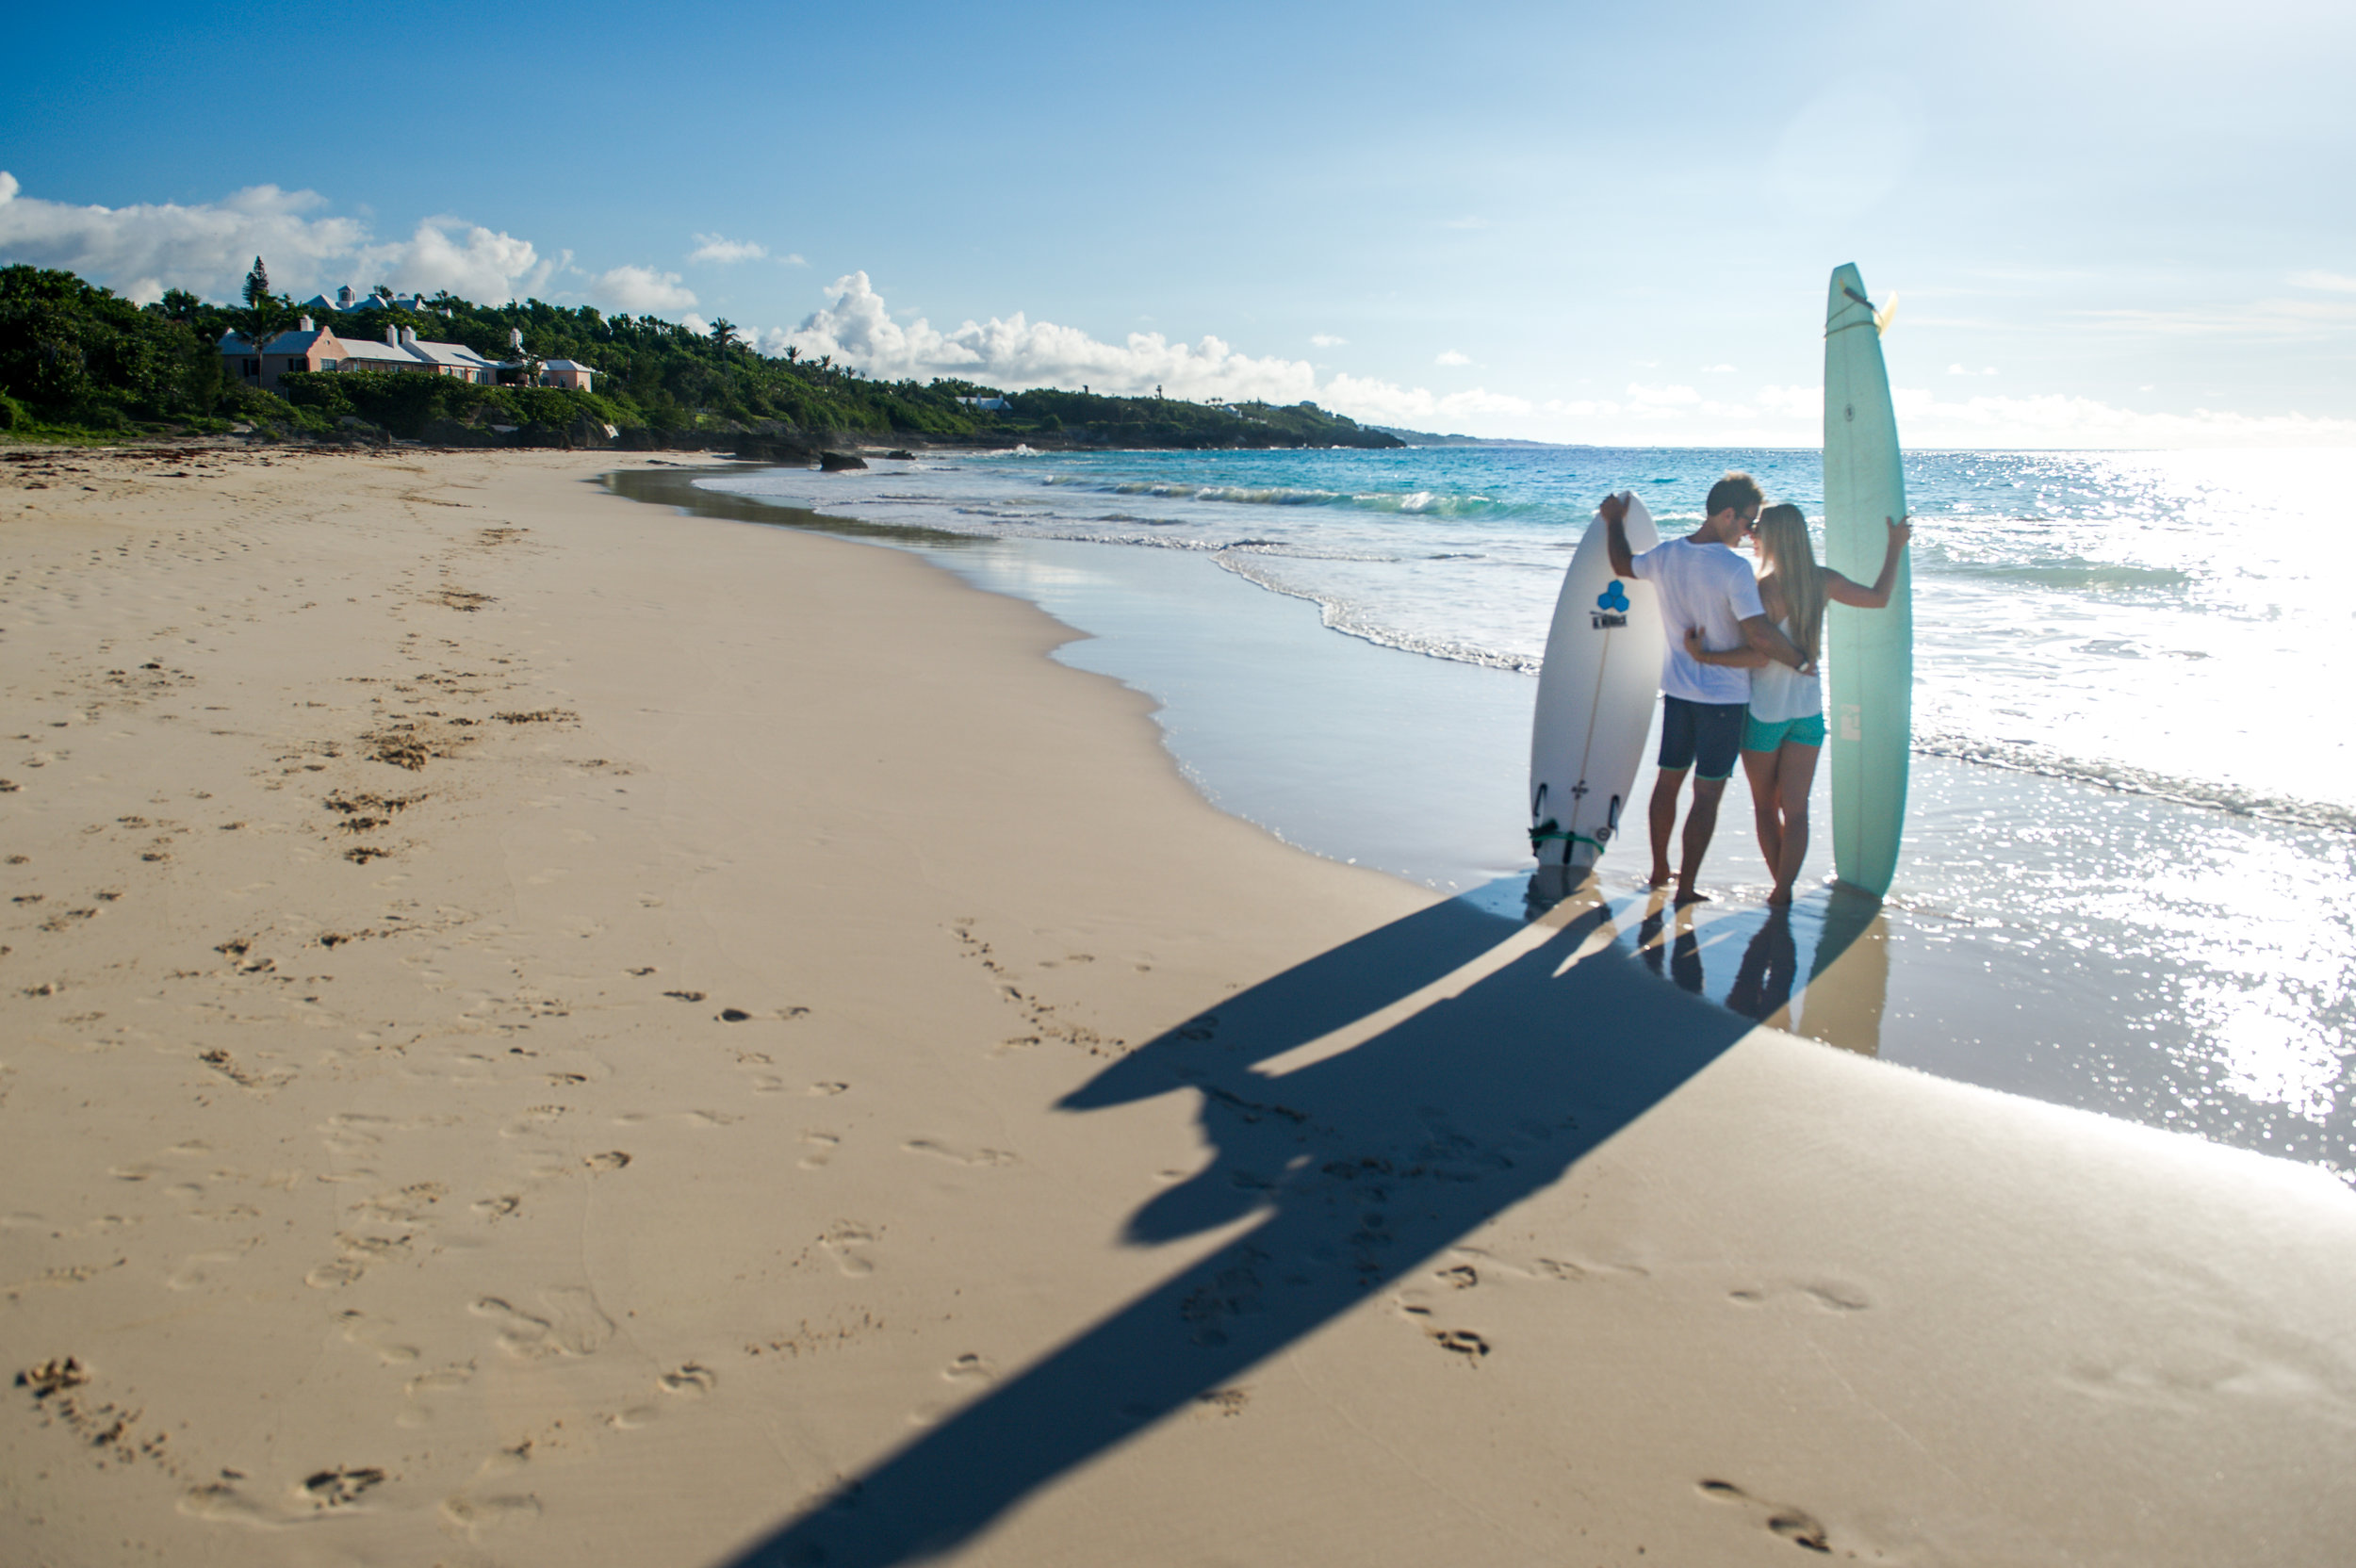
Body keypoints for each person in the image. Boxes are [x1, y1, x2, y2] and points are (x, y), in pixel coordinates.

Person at [1684, 503, 1911, 905]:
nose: (1753, 537)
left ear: (1772, 539)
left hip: (1764, 713)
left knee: (1764, 808)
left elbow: (1756, 656)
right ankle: (1783, 889)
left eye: (1758, 532)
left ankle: (1782, 891)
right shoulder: (1823, 581)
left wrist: (1705, 656)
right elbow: (1879, 598)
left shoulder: (1760, 591)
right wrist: (1895, 547)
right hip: (1807, 712)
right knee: (1798, 810)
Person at [1604, 474, 1810, 908]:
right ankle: (1685, 887)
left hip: (1679, 695)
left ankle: (1660, 869)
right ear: (1726, 515)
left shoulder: (1666, 555)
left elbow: (1623, 565)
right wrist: (1799, 660)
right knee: (1708, 794)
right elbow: (1757, 635)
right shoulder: (1735, 569)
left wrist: (1612, 522)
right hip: (1723, 701)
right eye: (1748, 523)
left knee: (1668, 782)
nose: (1750, 532)